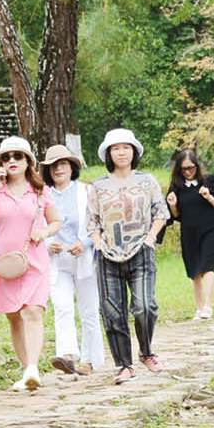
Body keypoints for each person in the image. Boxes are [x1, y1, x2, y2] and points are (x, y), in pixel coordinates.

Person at [0, 136, 62, 392]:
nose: (12, 161)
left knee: (33, 311)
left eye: (18, 156)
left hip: (34, 260)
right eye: (6, 157)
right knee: (14, 317)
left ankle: (33, 367)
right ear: (0, 163)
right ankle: (27, 370)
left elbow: (56, 221)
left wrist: (44, 233)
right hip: (4, 263)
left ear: (28, 161)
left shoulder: (39, 191)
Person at [85, 128, 169, 383]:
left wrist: (150, 237)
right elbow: (92, 221)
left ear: (134, 151)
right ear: (108, 153)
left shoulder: (147, 181)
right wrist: (98, 243)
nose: (121, 152)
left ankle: (146, 351)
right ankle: (124, 364)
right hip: (107, 256)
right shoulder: (98, 186)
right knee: (112, 312)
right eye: (116, 148)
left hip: (141, 252)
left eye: (126, 147)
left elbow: (161, 212)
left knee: (144, 306)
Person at [43, 144, 105, 375]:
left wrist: (86, 243)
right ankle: (68, 354)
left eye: (63, 164)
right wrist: (49, 243)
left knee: (89, 309)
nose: (58, 169)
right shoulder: (43, 195)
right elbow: (37, 226)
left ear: (72, 167)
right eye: (53, 166)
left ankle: (90, 360)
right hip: (57, 260)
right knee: (62, 306)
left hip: (84, 258)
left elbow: (98, 223)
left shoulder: (86, 192)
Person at [161, 147, 214, 319]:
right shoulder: (177, 186)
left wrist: (209, 197)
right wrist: (172, 204)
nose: (188, 172)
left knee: (208, 265)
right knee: (194, 270)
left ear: (197, 166)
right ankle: (199, 307)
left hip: (209, 229)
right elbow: (176, 215)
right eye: (184, 169)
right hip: (188, 231)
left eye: (191, 168)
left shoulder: (210, 181)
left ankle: (208, 307)